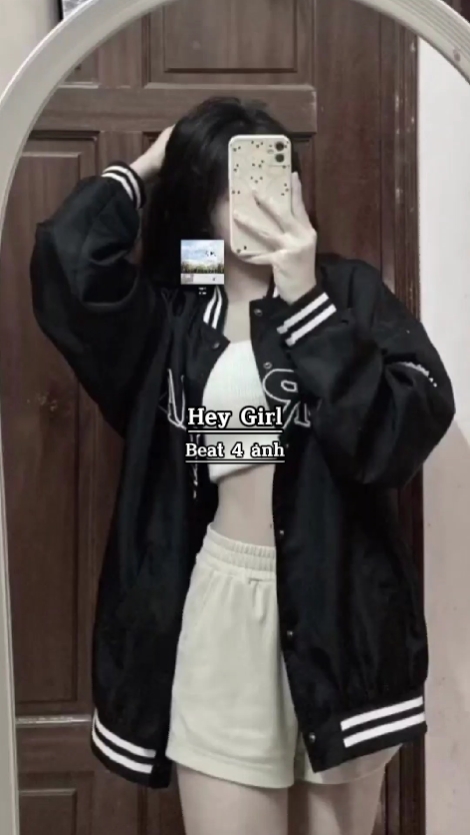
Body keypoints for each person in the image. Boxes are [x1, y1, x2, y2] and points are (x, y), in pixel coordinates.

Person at [29, 97, 455, 835]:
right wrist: (148, 165)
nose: (258, 201)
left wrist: (304, 294)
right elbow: (68, 265)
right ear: (202, 202)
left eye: (272, 177)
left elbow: (400, 432)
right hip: (223, 609)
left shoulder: (346, 292)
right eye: (234, 186)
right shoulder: (176, 310)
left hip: (341, 610)